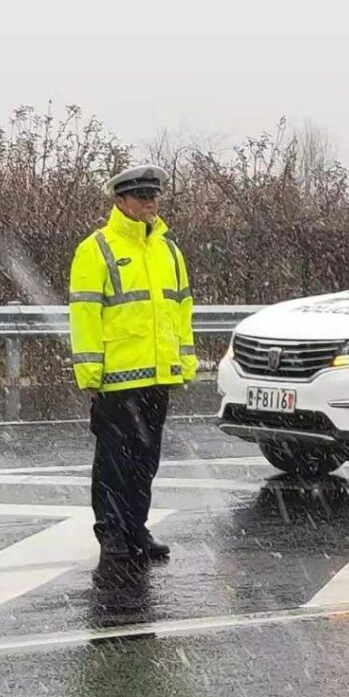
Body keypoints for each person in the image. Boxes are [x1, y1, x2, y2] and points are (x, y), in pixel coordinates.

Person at [68, 164, 197, 566]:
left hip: (158, 377)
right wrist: (90, 373)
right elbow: (85, 314)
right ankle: (112, 534)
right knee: (113, 462)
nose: (150, 204)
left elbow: (182, 311)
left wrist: (184, 362)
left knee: (145, 461)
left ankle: (136, 528)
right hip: (116, 380)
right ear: (120, 201)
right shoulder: (98, 248)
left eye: (154, 196)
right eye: (142, 197)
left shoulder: (169, 250)